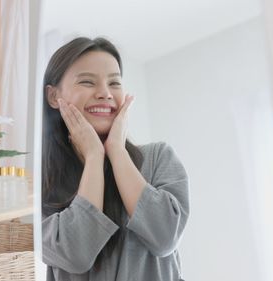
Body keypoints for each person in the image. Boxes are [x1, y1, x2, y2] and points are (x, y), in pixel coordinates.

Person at [42, 37, 189, 281]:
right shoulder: (42, 182)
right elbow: (76, 254)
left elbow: (165, 238)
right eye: (87, 81)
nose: (105, 93)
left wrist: (117, 152)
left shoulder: (158, 158)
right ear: (53, 96)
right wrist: (93, 157)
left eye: (114, 82)